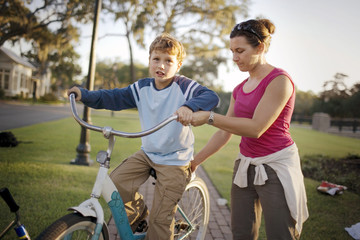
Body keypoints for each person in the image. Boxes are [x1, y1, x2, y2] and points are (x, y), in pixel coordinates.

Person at [67, 33, 219, 240]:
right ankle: (138, 215)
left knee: (160, 221)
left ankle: (157, 224)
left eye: (168, 61)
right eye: (156, 59)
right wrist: (84, 95)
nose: (162, 65)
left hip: (175, 159)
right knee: (116, 183)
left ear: (178, 65)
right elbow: (113, 97)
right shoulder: (142, 88)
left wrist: (188, 107)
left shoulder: (184, 86)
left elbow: (211, 97)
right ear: (149, 60)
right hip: (148, 153)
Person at [190, 19, 309, 240]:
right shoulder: (239, 89)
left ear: (260, 47)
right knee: (241, 233)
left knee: (280, 234)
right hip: (245, 166)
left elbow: (256, 128)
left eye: (240, 51)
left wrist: (209, 117)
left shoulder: (279, 81)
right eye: (232, 51)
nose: (234, 58)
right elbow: (226, 131)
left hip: (276, 167)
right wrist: (196, 161)